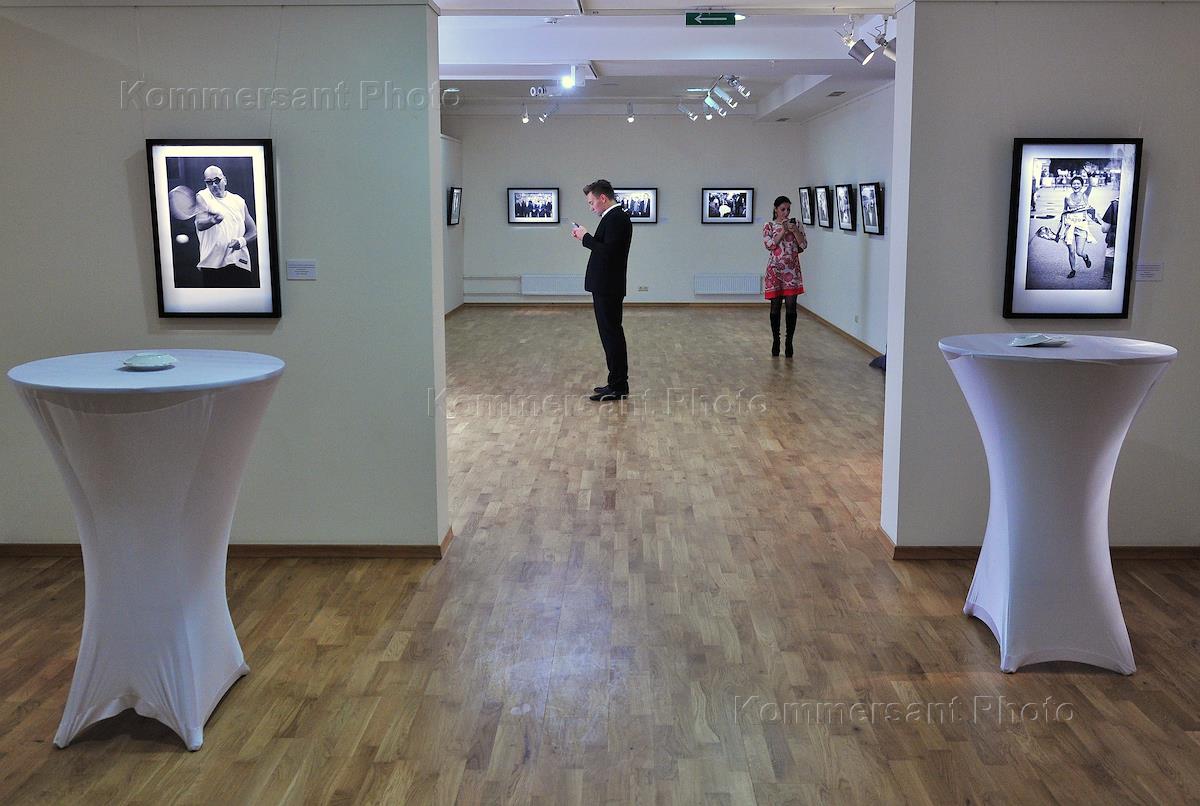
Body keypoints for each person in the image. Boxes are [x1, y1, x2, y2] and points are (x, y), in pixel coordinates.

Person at [572, 179, 633, 401]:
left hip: (608, 286)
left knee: (611, 334)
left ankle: (618, 386)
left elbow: (609, 253)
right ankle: (615, 382)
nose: (591, 208)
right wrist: (585, 236)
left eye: (591, 203)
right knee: (610, 334)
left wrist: (585, 237)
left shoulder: (617, 218)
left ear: (603, 198)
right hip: (606, 285)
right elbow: (604, 247)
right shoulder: (614, 217)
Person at [195, 166, 258, 288]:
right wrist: (212, 220)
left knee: (244, 300)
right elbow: (199, 224)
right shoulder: (202, 196)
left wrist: (241, 241)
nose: (214, 185)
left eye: (217, 180)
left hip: (239, 262)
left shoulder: (239, 201)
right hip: (211, 265)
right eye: (209, 182)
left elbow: (253, 231)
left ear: (225, 180)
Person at [762, 195, 807, 357]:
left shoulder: (797, 225)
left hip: (792, 271)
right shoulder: (769, 225)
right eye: (783, 209)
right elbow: (770, 245)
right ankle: (776, 340)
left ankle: (789, 342)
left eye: (788, 209)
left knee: (791, 307)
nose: (786, 212)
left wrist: (794, 231)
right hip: (775, 271)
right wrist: (783, 230)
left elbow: (803, 245)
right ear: (776, 210)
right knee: (775, 307)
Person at [1055, 174, 1096, 279]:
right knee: (1071, 251)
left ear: (1081, 185)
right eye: (1074, 184)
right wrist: (1061, 227)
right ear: (1071, 185)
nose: (1076, 185)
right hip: (1070, 226)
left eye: (1078, 184)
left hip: (1081, 226)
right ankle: (1073, 270)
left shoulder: (1085, 195)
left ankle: (1085, 257)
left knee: (1079, 252)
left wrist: (1090, 175)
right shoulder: (1067, 198)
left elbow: (1091, 185)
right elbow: (1064, 211)